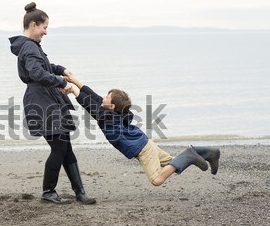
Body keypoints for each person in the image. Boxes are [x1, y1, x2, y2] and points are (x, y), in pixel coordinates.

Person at [9, 2, 96, 204]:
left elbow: (44, 66)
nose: (46, 32)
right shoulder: (29, 46)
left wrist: (60, 69)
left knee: (65, 147)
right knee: (59, 148)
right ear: (33, 25)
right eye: (44, 27)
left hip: (46, 98)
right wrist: (61, 81)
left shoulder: (30, 46)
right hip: (41, 101)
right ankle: (48, 192)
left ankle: (80, 192)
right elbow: (36, 73)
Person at [64, 74, 220, 186]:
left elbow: (87, 103)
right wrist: (74, 80)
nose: (102, 97)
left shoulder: (106, 116)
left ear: (111, 106)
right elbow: (91, 94)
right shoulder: (114, 111)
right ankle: (208, 153)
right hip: (144, 142)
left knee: (157, 179)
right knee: (172, 164)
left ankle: (190, 155)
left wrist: (73, 91)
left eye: (106, 96)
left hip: (143, 149)